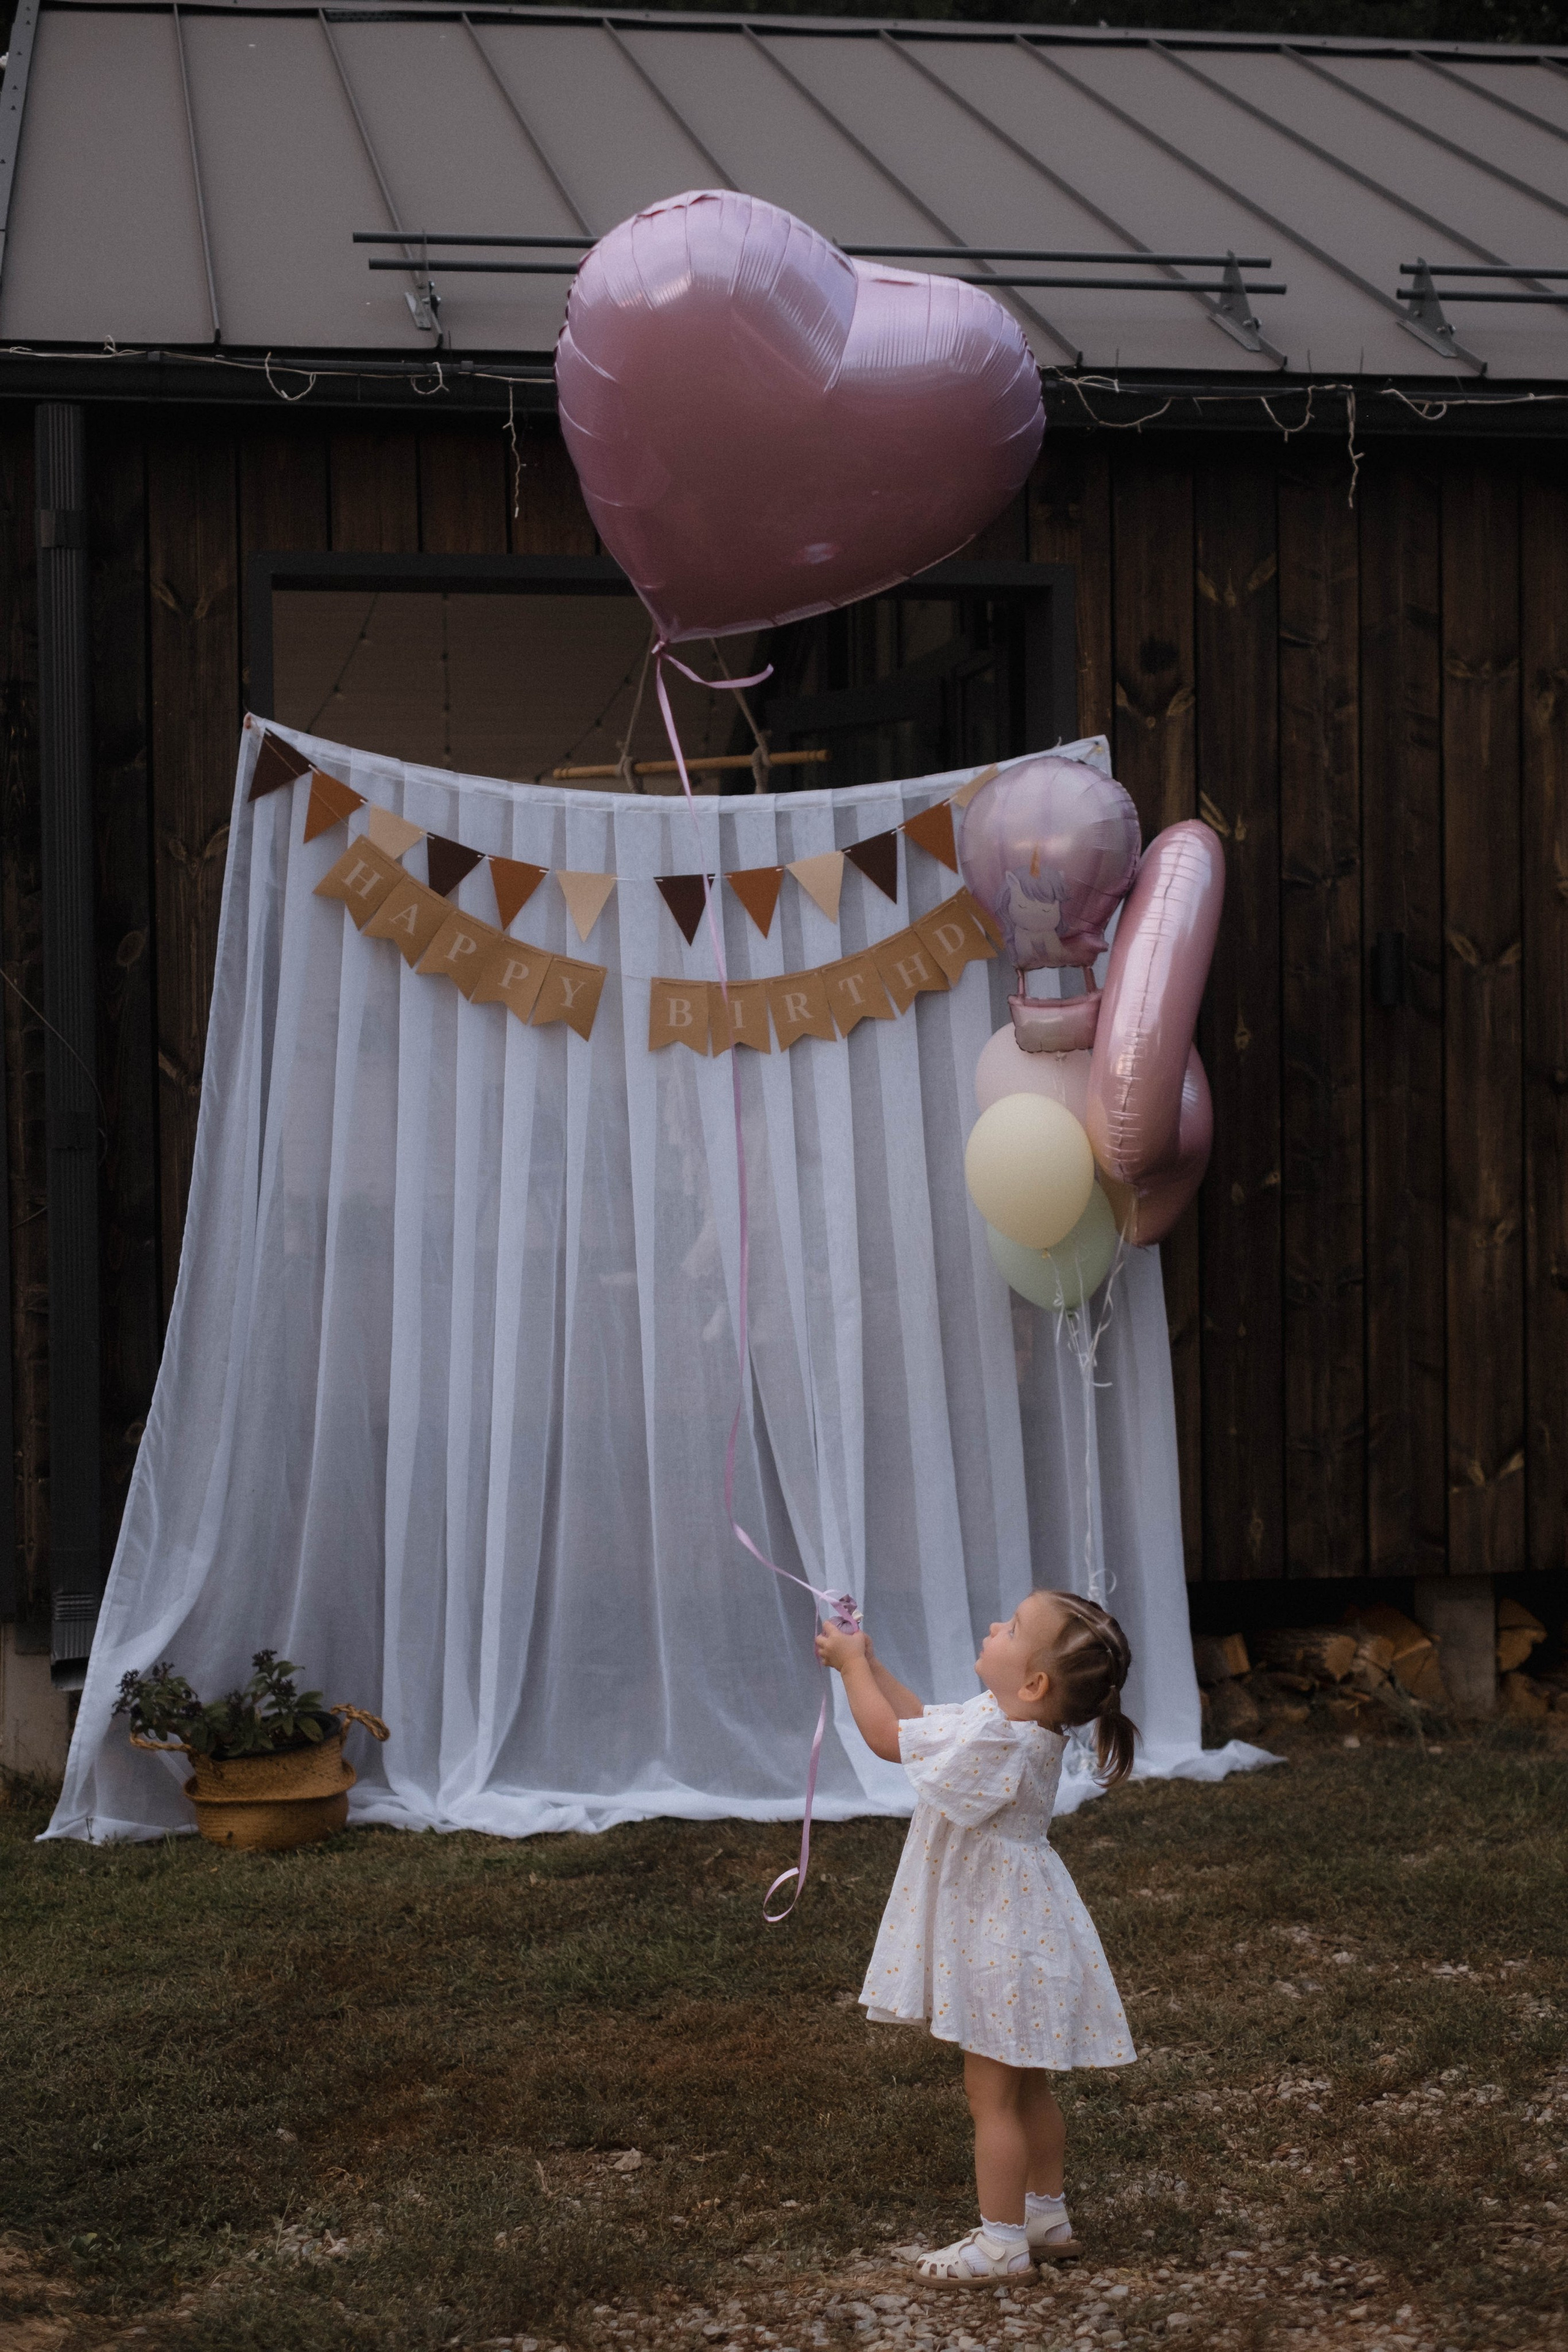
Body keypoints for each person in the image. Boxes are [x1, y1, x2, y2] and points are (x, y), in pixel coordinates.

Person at [814, 1588, 1137, 2288]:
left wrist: (849, 1669)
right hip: (1021, 1932)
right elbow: (918, 1725)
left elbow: (886, 1740)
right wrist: (872, 1663)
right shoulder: (1004, 1721)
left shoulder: (1001, 1741)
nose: (994, 1626)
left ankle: (1000, 2245)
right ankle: (1044, 2215)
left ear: (1034, 1683)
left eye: (1012, 1628)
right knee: (1028, 2087)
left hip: (998, 1943)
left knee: (990, 2101)